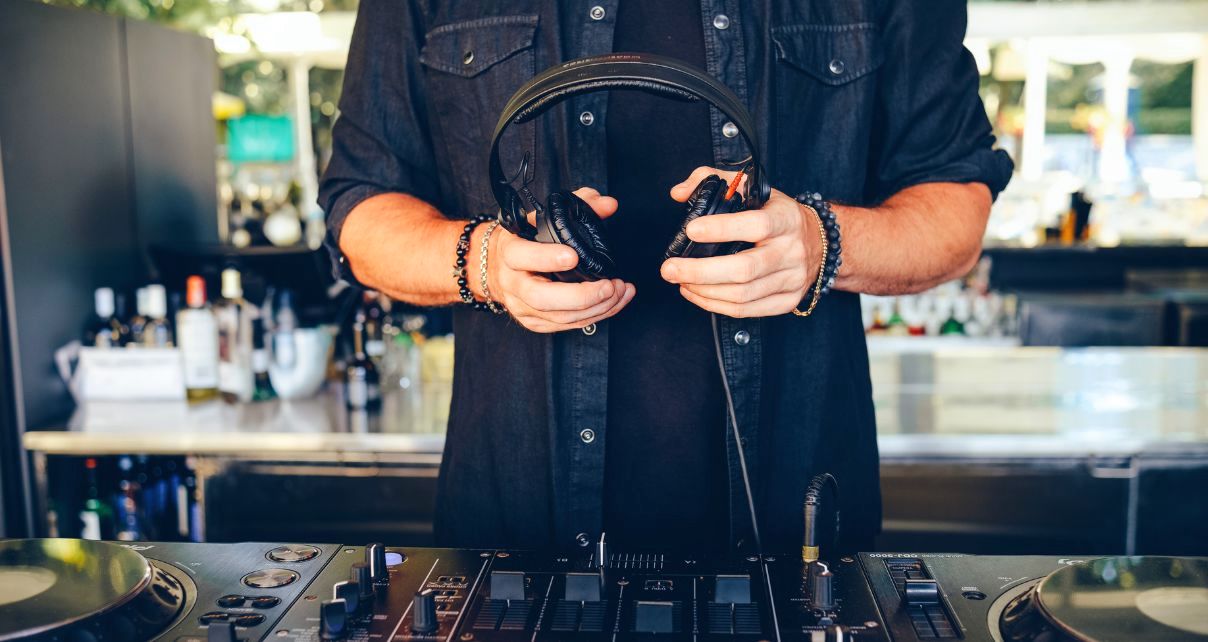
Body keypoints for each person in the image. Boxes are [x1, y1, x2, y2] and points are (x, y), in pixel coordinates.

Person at [319, 0, 1013, 554]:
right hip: (513, 535)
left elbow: (954, 209)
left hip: (798, 537)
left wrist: (823, 242)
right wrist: (485, 263)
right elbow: (360, 205)